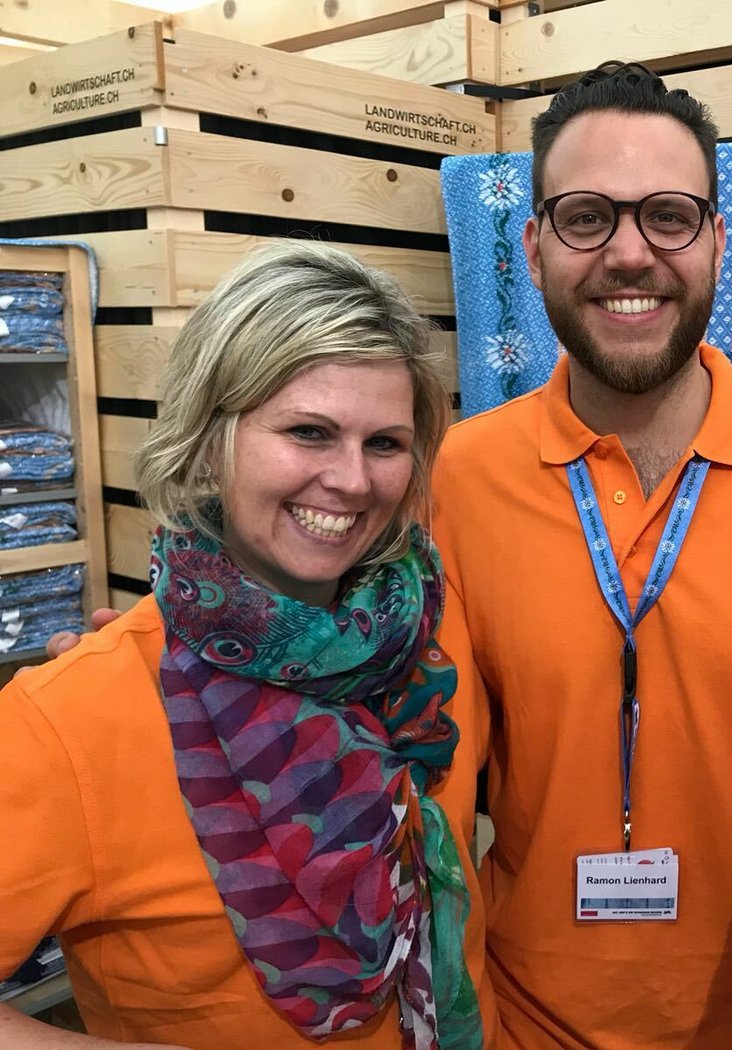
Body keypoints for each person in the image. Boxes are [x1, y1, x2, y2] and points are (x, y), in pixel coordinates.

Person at [429, 62, 732, 1047]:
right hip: (527, 1025)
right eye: (585, 217)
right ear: (532, 248)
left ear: (717, 242)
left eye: (667, 216)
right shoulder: (459, 480)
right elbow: (423, 773)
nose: (628, 253)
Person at [0, 243, 491, 1049]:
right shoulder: (70, 718)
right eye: (308, 431)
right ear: (208, 438)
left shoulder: (431, 638)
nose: (352, 480)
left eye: (385, 443)